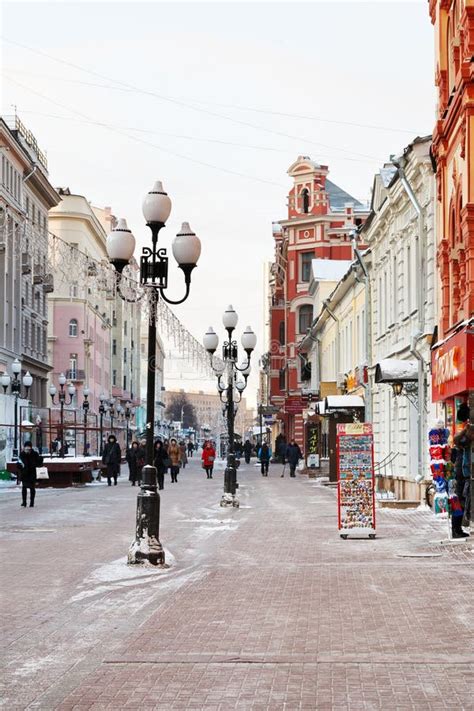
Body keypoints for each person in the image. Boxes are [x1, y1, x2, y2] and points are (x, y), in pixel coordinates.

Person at [452, 404, 472, 537]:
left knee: (462, 500)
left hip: (462, 471)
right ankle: (456, 529)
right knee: (460, 500)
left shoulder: (462, 429)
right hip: (462, 472)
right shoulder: (464, 431)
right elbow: (461, 442)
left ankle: (457, 528)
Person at [17, 441, 43, 508]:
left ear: (31, 447)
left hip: (32, 473)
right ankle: (24, 502)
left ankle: (32, 502)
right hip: (24, 473)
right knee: (24, 488)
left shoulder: (35, 454)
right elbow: (19, 463)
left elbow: (39, 463)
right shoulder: (22, 454)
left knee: (32, 488)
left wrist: (40, 459)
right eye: (26, 447)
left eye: (28, 447)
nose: (27, 448)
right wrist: (19, 465)